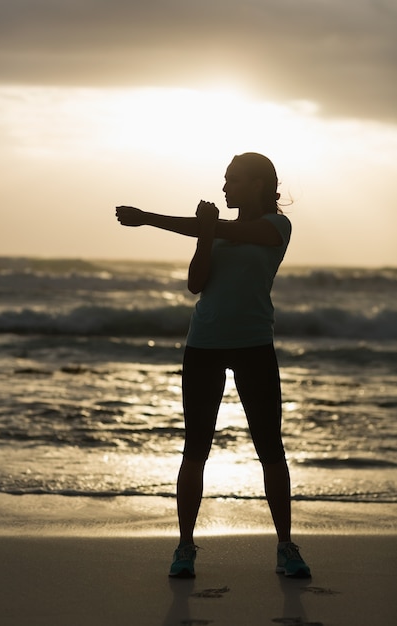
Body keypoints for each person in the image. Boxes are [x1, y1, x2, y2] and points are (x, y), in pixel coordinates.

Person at [115, 152, 311, 579]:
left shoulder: (277, 227)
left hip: (255, 345)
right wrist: (191, 231)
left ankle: (286, 546)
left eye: (233, 180)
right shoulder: (216, 233)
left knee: (270, 449)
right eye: (225, 180)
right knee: (196, 449)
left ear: (259, 184)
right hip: (203, 345)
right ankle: (185, 547)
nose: (225, 188)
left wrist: (170, 220)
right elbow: (195, 284)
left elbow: (233, 229)